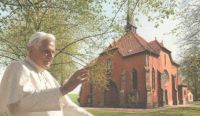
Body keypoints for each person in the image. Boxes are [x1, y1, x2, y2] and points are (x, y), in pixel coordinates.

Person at [0, 32, 92, 116]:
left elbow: (66, 106)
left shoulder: (48, 75)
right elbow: (22, 102)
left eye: (53, 52)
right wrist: (65, 88)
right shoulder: (18, 67)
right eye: (46, 51)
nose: (51, 56)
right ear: (30, 50)